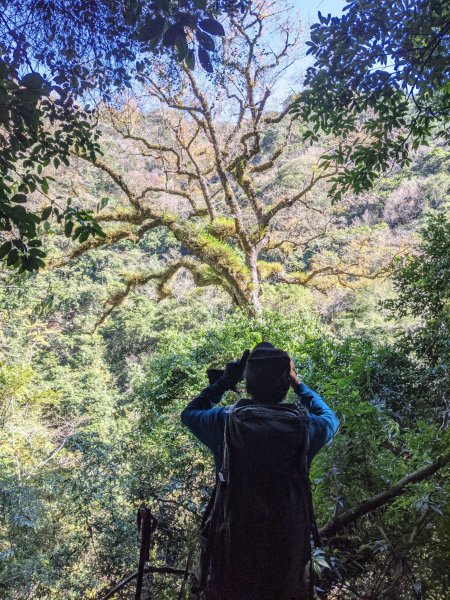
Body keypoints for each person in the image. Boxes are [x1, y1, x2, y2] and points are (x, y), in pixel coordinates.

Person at [181, 342, 340, 600]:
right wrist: (299, 384)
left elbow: (190, 413)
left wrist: (224, 381)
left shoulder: (224, 422)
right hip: (286, 548)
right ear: (285, 384)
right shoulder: (305, 428)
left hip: (232, 547)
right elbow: (330, 418)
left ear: (247, 384)